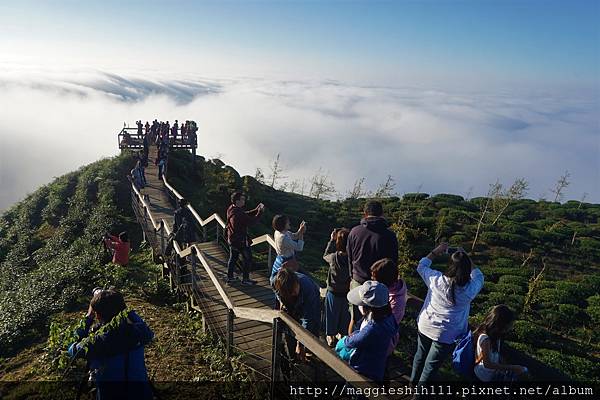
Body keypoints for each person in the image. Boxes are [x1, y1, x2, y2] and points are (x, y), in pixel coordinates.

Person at [410, 243, 484, 386]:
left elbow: (421, 265)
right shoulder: (470, 289)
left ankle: (412, 384)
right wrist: (466, 257)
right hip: (447, 334)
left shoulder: (436, 279)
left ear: (450, 266)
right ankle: (418, 395)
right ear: (467, 269)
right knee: (430, 367)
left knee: (419, 356)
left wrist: (436, 251)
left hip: (425, 325)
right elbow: (479, 275)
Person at [68, 289, 153, 400]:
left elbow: (72, 348)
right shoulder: (139, 332)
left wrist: (89, 317)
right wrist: (123, 308)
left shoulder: (95, 343)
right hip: (142, 394)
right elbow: (142, 325)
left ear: (97, 315)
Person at [347, 200, 398, 333]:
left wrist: (351, 277)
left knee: (355, 319)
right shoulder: (390, 236)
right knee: (376, 322)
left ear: (365, 214)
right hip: (379, 287)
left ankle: (348, 349)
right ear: (381, 214)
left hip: (357, 282)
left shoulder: (354, 232)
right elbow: (392, 264)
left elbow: (350, 258)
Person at [341, 280, 398, 382]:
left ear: (369, 307)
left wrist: (345, 341)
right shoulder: (388, 317)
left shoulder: (373, 328)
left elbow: (354, 341)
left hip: (363, 366)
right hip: (378, 362)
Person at [274, 269, 321, 360]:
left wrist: (301, 344)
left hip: (309, 303)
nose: (295, 292)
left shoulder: (308, 288)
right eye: (291, 291)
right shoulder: (276, 282)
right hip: (290, 303)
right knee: (289, 328)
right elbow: (276, 292)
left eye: (295, 288)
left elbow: (308, 319)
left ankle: (311, 355)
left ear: (296, 282)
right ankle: (292, 356)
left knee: (312, 331)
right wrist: (281, 302)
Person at [473, 305, 528, 382]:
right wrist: (512, 367)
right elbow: (487, 364)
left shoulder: (495, 336)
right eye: (508, 326)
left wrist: (505, 365)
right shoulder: (486, 339)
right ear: (500, 325)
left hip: (491, 371)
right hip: (484, 375)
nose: (510, 328)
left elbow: (496, 355)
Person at [225, 192, 265, 285]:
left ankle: (230, 277)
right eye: (242, 199)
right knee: (248, 259)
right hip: (240, 241)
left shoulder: (232, 209)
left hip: (232, 239)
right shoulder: (238, 213)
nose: (244, 201)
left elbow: (245, 215)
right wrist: (260, 212)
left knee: (233, 258)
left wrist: (255, 210)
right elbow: (251, 221)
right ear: (237, 201)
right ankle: (245, 279)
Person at [370, 258, 407, 356]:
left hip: (383, 342)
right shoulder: (387, 288)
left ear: (384, 280)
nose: (372, 280)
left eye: (374, 278)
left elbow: (386, 325)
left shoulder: (396, 302)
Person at [323, 228, 351, 347]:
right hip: (346, 292)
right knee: (344, 315)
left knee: (331, 315)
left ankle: (331, 336)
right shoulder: (352, 259)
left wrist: (331, 240)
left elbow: (325, 256)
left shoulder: (333, 257)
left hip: (333, 292)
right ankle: (342, 334)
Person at [270, 214, 306, 285]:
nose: (289, 222)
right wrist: (301, 233)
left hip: (281, 258)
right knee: (289, 281)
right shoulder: (283, 238)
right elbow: (299, 247)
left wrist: (300, 230)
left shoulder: (278, 232)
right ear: (283, 224)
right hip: (287, 262)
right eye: (287, 222)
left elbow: (294, 236)